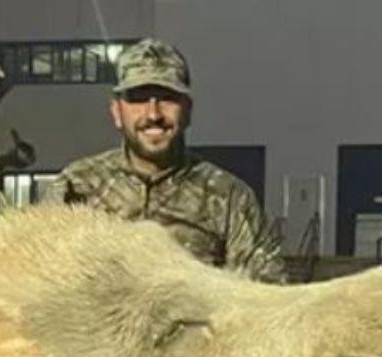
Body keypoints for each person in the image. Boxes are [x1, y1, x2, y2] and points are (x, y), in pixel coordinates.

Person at [45, 38, 287, 283]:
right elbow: (34, 286)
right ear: (117, 112)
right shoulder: (76, 188)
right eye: (139, 98)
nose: (153, 114)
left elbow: (265, 298)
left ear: (188, 111)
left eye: (167, 98)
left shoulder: (229, 198)